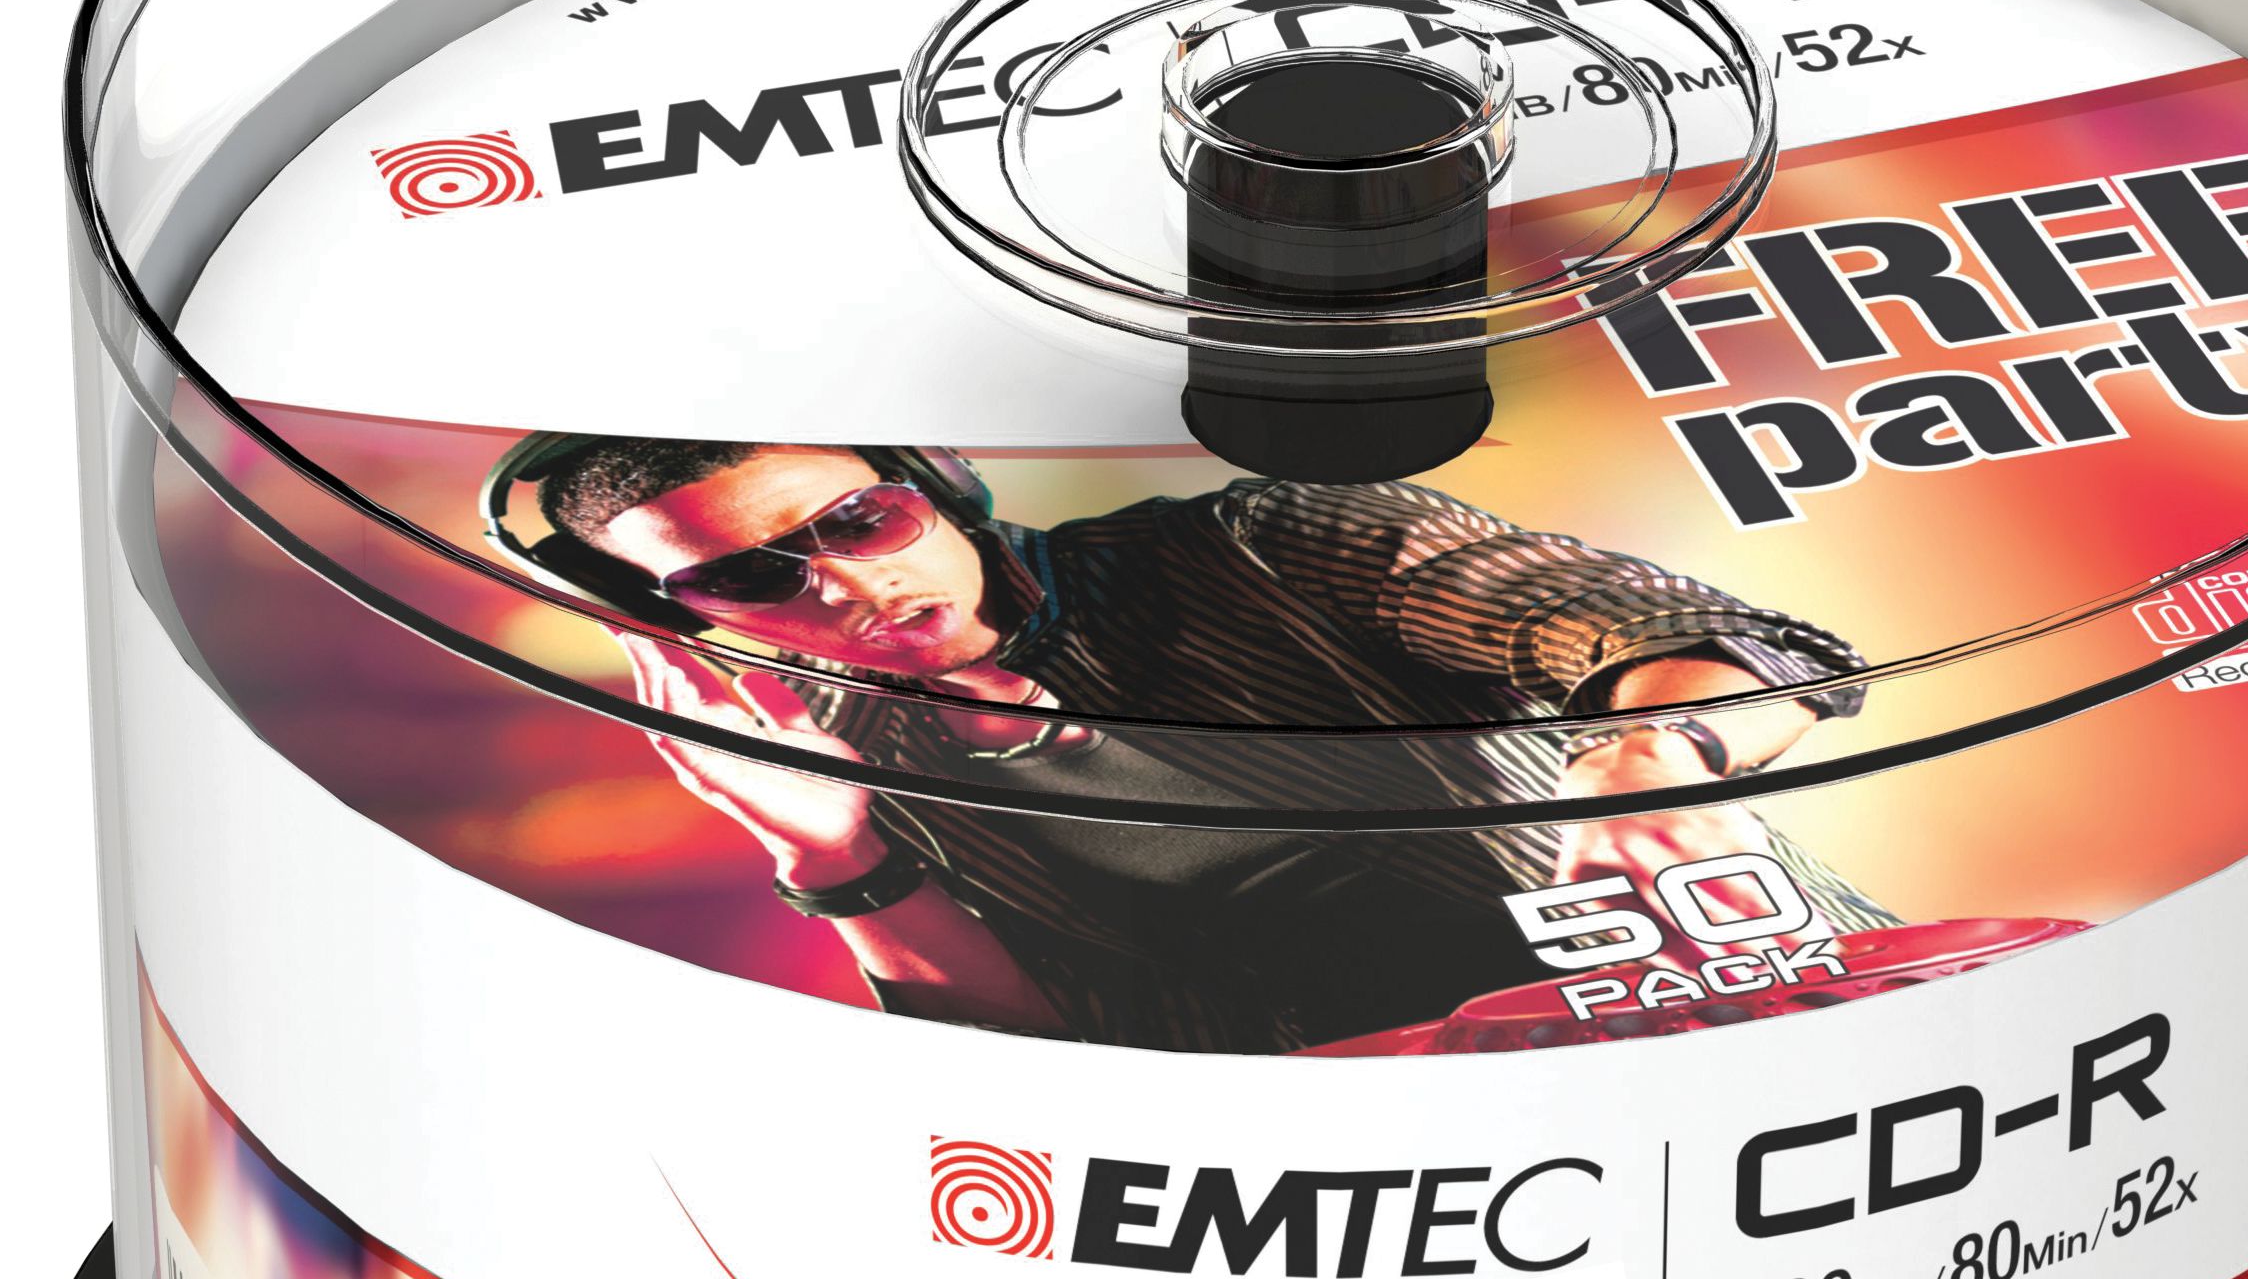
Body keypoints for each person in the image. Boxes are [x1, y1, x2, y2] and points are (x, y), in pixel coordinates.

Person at [515, 433, 1891, 1049]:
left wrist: (1649, 756)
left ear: (937, 483)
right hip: (1374, 1164)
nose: (843, 585)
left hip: (1751, 1021)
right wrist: (836, 856)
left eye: (861, 521)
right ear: (681, 610)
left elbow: (1729, 641)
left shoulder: (1265, 541)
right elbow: (1038, 1058)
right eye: (748, 577)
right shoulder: (818, 748)